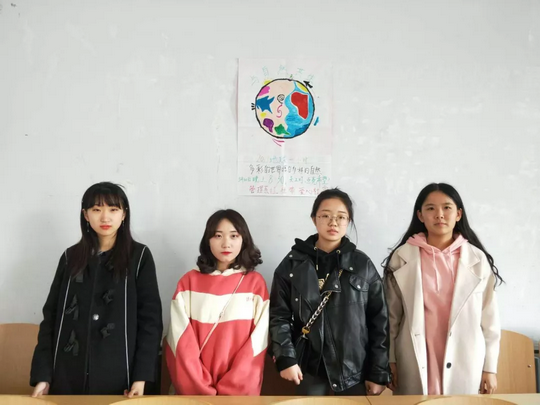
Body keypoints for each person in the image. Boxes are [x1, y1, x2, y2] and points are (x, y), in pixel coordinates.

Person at [31, 182, 162, 396]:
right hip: (67, 377)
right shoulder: (70, 258)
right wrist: (43, 376)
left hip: (122, 378)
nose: (105, 217)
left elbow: (151, 321)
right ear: (85, 215)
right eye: (96, 209)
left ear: (124, 214)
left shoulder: (139, 257)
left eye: (113, 209)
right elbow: (51, 319)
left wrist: (141, 378)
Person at [383, 183, 502, 395]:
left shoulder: (476, 259)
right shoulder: (402, 257)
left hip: (465, 356)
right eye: (430, 208)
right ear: (420, 215)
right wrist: (390, 360)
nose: (439, 214)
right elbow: (392, 317)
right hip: (413, 356)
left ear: (458, 214)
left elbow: (489, 318)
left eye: (447, 207)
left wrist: (490, 368)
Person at [269, 188, 390, 396]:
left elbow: (379, 322)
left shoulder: (362, 265)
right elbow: (278, 316)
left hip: (354, 370)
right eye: (325, 215)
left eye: (341, 217)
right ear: (314, 219)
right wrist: (286, 358)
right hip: (308, 369)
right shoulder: (292, 265)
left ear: (348, 221)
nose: (333, 222)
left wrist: (378, 371)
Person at [166, 209, 269, 395]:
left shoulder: (255, 284)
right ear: (208, 240)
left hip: (240, 394)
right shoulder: (188, 282)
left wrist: (234, 388)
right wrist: (199, 387)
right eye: (218, 235)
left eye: (234, 236)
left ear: (244, 240)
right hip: (194, 393)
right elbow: (180, 342)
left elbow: (257, 344)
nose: (226, 243)